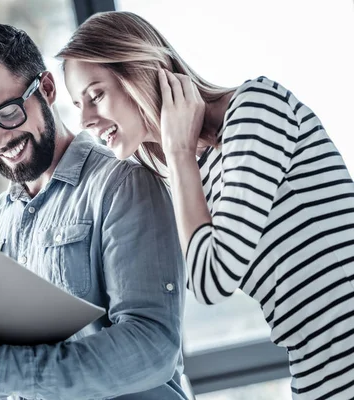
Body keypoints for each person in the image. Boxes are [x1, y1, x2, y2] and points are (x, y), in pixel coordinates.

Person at [58, 10, 354, 400]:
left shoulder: (255, 108)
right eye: (78, 104)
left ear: (142, 70)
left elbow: (212, 279)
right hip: (317, 374)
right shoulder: (197, 175)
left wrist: (177, 148)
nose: (85, 119)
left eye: (96, 95)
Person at [0, 23, 188, 399]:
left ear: (46, 88)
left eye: (7, 113)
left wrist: (6, 368)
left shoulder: (122, 185)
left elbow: (152, 349)